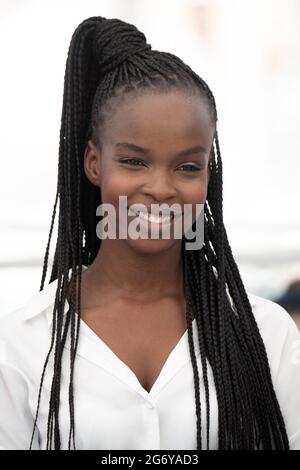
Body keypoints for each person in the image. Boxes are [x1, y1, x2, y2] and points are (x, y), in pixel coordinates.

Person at [0, 16, 300, 451]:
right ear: (93, 162)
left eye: (187, 167)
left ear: (208, 177)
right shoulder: (23, 344)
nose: (160, 189)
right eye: (135, 161)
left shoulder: (266, 335)